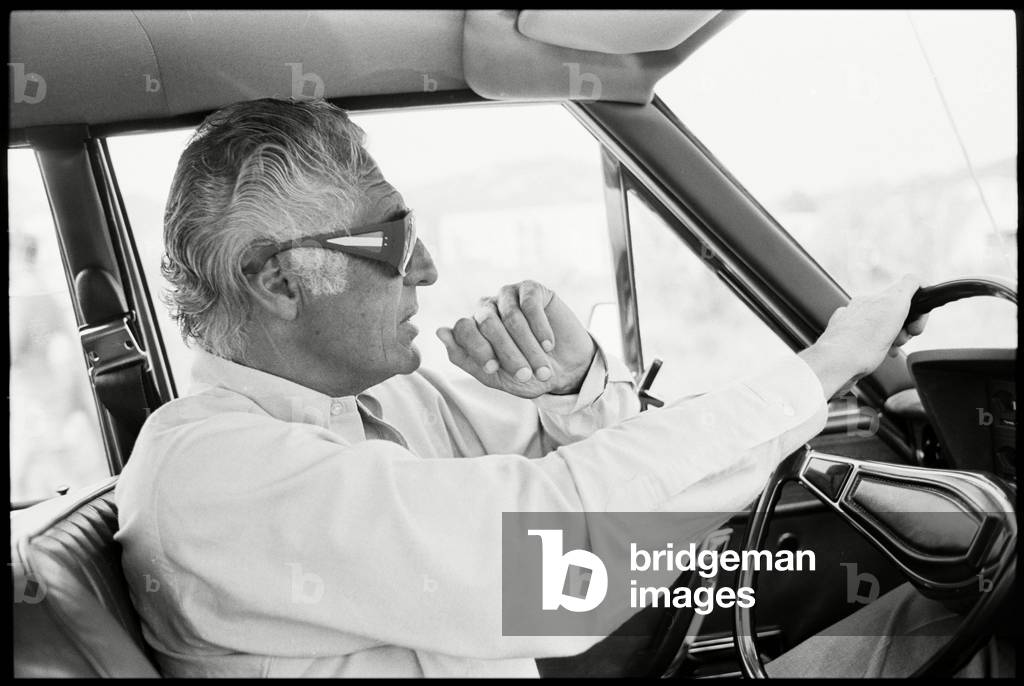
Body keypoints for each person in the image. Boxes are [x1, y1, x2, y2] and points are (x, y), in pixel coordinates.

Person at [114, 97, 973, 678]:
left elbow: (622, 502)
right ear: (281, 283)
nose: (428, 269)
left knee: (939, 624)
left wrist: (572, 390)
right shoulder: (210, 474)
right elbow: (555, 567)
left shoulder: (389, 407)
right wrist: (826, 365)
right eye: (391, 242)